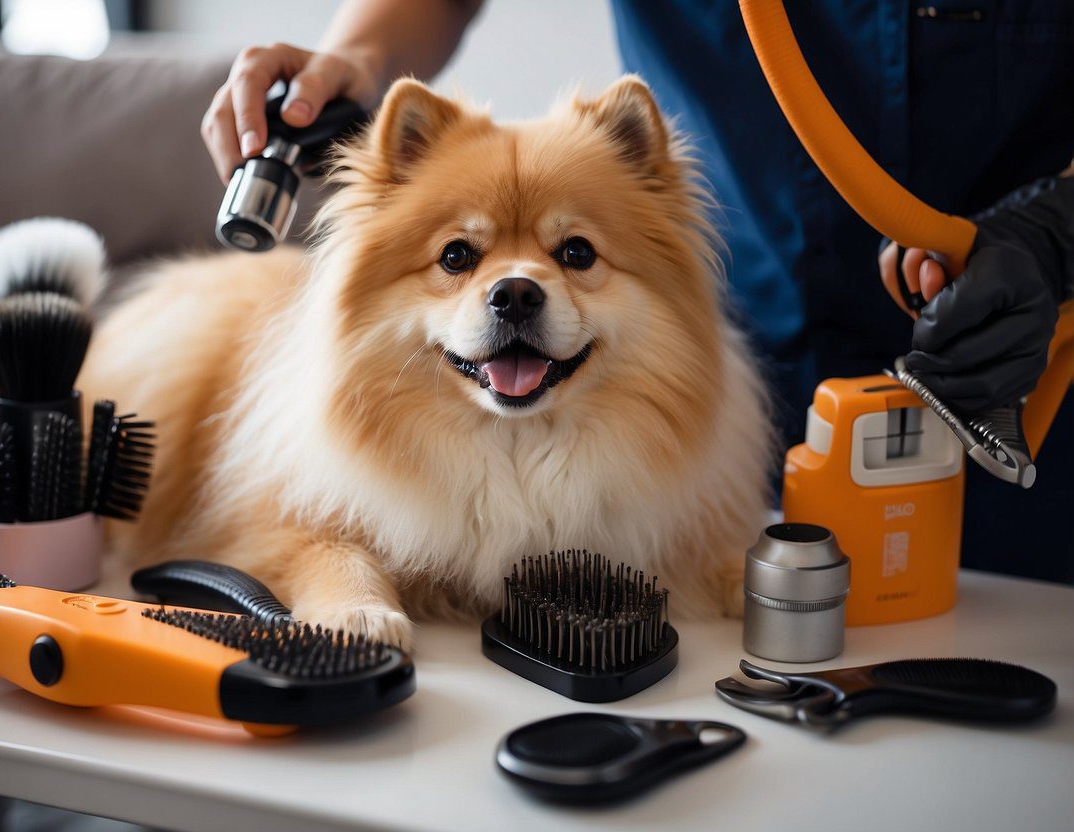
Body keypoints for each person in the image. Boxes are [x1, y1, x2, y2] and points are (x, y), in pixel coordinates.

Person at [201, 0, 1074, 584]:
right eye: (462, 256)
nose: (514, 285)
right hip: (766, 343)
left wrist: (1059, 226)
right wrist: (354, 57)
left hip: (1042, 388)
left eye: (571, 253)